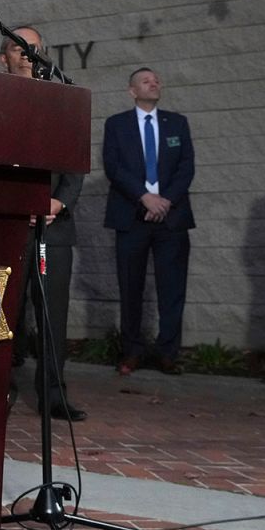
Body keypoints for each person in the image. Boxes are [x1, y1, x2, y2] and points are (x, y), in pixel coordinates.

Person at [4, 27, 85, 420]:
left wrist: (59, 202)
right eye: (17, 48)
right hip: (8, 229)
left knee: (53, 316)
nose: (25, 54)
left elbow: (75, 163)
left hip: (54, 228)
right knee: (5, 317)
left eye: (32, 48)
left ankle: (53, 394)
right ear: (3, 58)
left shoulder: (61, 100)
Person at [103, 67, 195, 376]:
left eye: (157, 79)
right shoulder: (116, 125)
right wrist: (144, 197)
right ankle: (132, 351)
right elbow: (113, 167)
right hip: (132, 216)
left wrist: (164, 200)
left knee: (173, 288)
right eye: (146, 80)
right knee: (131, 287)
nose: (154, 83)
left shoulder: (177, 123)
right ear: (132, 91)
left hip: (172, 218)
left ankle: (168, 352)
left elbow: (186, 168)